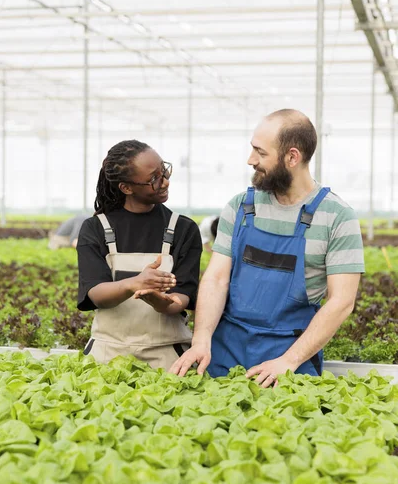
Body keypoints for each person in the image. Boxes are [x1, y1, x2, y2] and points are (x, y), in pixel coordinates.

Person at [170, 109, 365, 386]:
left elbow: (341, 302)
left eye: (260, 153)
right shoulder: (240, 207)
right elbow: (216, 279)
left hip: (289, 357)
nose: (251, 160)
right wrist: (201, 340)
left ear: (292, 157)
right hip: (225, 351)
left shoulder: (337, 216)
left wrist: (289, 361)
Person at [77, 140, 202, 369]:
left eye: (163, 171)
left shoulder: (183, 229)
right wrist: (134, 283)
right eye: (154, 178)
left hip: (167, 353)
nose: (165, 181)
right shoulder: (95, 229)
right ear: (126, 188)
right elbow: (95, 293)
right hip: (107, 354)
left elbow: (181, 297)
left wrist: (160, 302)